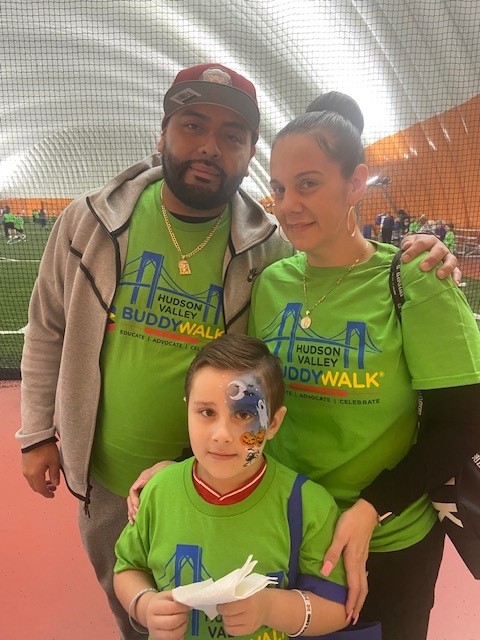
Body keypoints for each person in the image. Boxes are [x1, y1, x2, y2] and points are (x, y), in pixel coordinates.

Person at [17, 63, 456, 640]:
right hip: (120, 478)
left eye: (232, 136)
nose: (209, 147)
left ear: (249, 152)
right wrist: (38, 433)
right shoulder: (93, 223)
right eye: (192, 125)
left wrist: (421, 254)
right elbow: (47, 328)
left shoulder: (269, 251)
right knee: (148, 613)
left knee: (244, 621)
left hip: (247, 489)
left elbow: (339, 270)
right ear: (163, 132)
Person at [246, 92, 480, 640]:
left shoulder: (415, 280)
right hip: (285, 532)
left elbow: (463, 422)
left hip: (388, 544)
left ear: (355, 183)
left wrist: (373, 507)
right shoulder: (272, 283)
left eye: (308, 183)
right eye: (280, 188)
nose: (288, 204)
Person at [114, 333, 355, 640]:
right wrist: (144, 605)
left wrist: (269, 608)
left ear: (274, 423)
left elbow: (337, 608)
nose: (221, 434)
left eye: (243, 414)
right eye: (207, 412)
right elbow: (127, 568)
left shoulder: (308, 504)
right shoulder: (158, 491)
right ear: (187, 410)